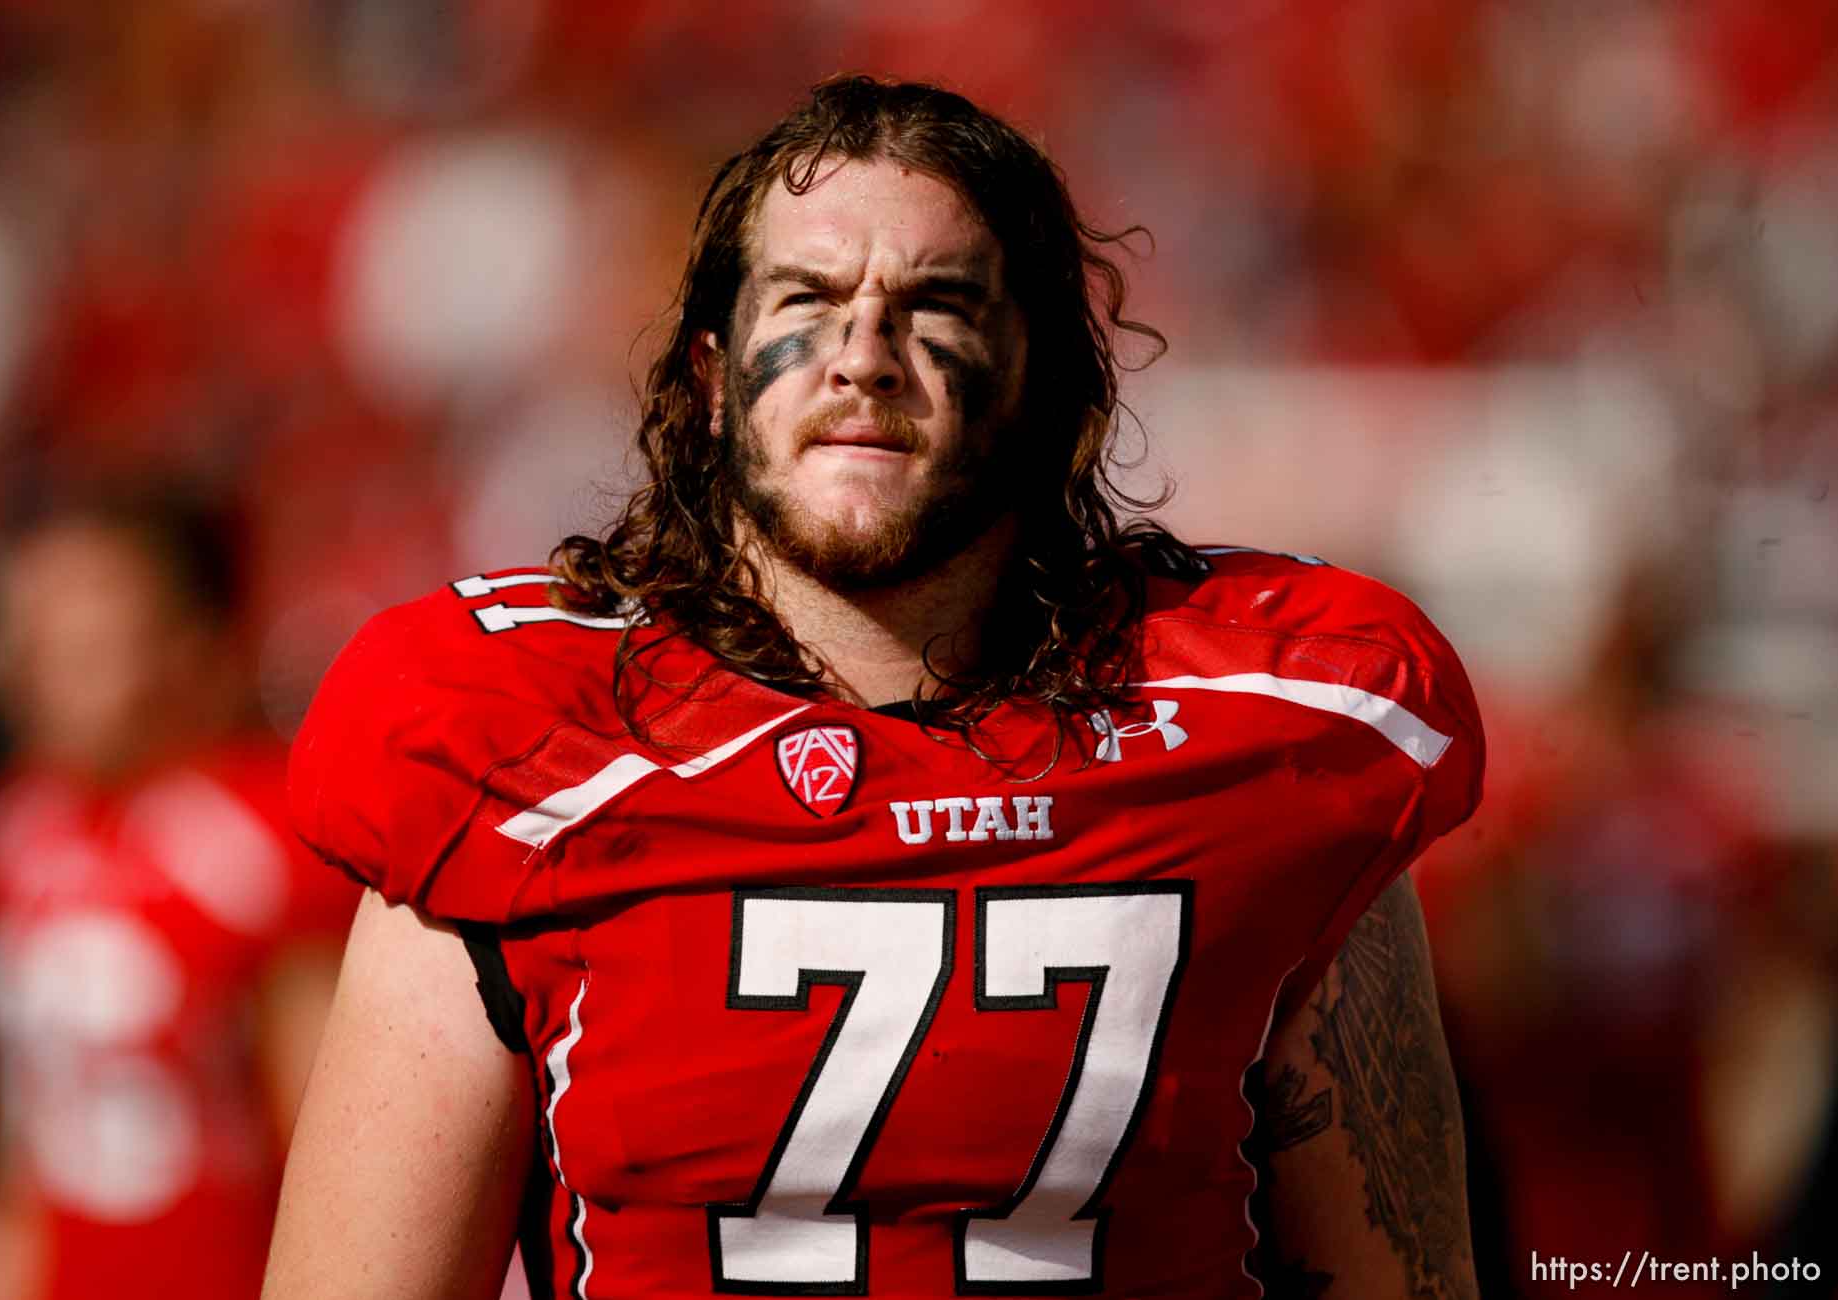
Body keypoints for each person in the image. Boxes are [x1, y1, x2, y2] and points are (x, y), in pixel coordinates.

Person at [267, 76, 1486, 1300]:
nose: (862, 357)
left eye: (936, 304)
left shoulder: (1274, 739)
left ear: (1043, 381)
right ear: (712, 374)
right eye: (806, 300)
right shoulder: (514, 736)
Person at [0, 491, 358, 1300]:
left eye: (88, 638)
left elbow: (341, 1156)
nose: (43, 665)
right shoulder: (16, 831)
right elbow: (18, 1166)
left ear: (193, 648)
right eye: (35, 634)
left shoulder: (265, 840)